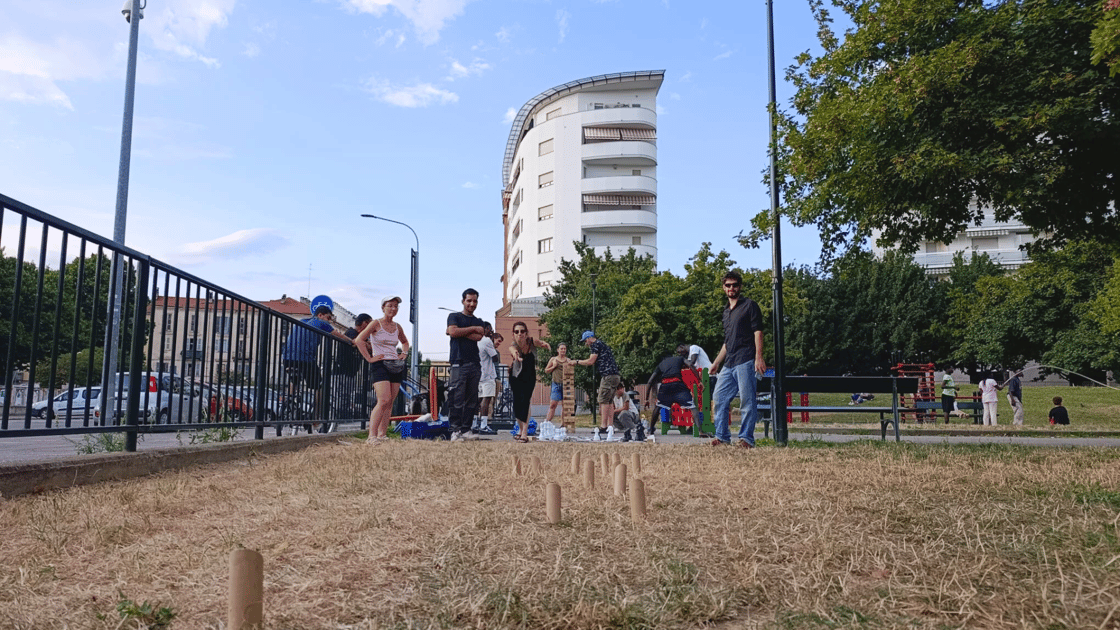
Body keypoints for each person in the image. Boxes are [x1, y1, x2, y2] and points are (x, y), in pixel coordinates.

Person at [710, 270, 767, 448]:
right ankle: (722, 437)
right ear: (723, 288)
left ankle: (747, 439)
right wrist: (716, 362)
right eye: (728, 285)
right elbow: (727, 342)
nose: (731, 288)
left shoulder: (749, 306)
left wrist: (759, 357)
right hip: (729, 363)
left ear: (740, 287)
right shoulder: (726, 312)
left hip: (746, 359)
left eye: (735, 285)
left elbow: (758, 332)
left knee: (747, 401)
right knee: (719, 397)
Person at [281, 302, 354, 433]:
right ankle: (316, 419)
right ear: (320, 315)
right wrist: (352, 342)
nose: (329, 321)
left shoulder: (302, 321)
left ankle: (290, 403)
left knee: (294, 380)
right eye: (328, 317)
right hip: (306, 359)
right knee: (319, 388)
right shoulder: (321, 323)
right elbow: (340, 336)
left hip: (287, 358)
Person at [356, 297, 411, 444]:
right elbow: (359, 340)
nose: (393, 309)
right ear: (383, 307)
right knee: (383, 399)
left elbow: (405, 342)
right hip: (380, 363)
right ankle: (371, 436)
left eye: (396, 306)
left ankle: (382, 434)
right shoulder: (376, 323)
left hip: (395, 364)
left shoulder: (397, 326)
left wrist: (404, 353)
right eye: (390, 306)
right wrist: (369, 358)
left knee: (390, 401)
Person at [445, 288, 486, 442]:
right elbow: (453, 332)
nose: (472, 304)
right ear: (463, 301)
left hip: (474, 363)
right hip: (458, 362)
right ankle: (455, 431)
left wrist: (459, 331)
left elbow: (477, 336)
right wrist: (464, 330)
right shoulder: (453, 316)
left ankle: (466, 429)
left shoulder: (479, 321)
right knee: (456, 397)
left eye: (474, 301)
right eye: (469, 300)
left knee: (471, 399)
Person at [508, 321, 551, 442]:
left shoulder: (532, 341)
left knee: (525, 401)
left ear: (526, 333)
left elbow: (541, 343)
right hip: (516, 376)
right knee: (517, 403)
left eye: (522, 331)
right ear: (513, 334)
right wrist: (516, 355)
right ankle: (520, 430)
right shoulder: (513, 345)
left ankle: (524, 433)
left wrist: (546, 345)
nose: (520, 334)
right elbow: (513, 350)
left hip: (529, 376)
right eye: (517, 332)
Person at [576, 331, 621, 441]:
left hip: (607, 375)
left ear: (589, 338)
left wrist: (577, 362)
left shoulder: (595, 345)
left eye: (586, 340)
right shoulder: (603, 344)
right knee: (610, 401)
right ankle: (610, 426)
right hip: (615, 375)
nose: (586, 343)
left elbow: (591, 361)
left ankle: (604, 426)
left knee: (603, 400)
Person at [646, 344, 694, 436]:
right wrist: (699, 380)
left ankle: (651, 428)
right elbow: (690, 365)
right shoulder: (679, 359)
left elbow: (650, 381)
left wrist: (646, 399)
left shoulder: (662, 364)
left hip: (665, 386)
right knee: (692, 405)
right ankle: (699, 429)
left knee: (658, 406)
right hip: (678, 384)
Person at [333, 312, 372, 420]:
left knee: (346, 396)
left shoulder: (359, 335)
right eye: (369, 324)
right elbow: (361, 344)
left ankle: (342, 417)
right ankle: (337, 419)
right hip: (342, 371)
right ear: (364, 323)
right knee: (341, 396)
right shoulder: (351, 332)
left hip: (349, 372)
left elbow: (368, 346)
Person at [473, 322, 499, 435]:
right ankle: (483, 425)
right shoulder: (487, 341)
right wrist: (492, 341)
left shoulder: (475, 340)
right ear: (486, 328)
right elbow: (495, 357)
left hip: (478, 374)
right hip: (488, 374)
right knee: (486, 399)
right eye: (490, 329)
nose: (491, 331)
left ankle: (474, 424)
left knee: (477, 400)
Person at [544, 342, 571, 427]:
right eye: (561, 349)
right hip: (556, 384)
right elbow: (546, 370)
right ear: (558, 350)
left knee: (565, 405)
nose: (563, 350)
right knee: (553, 404)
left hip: (566, 385)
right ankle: (547, 423)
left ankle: (563, 425)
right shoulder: (553, 359)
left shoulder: (568, 360)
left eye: (564, 349)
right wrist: (553, 367)